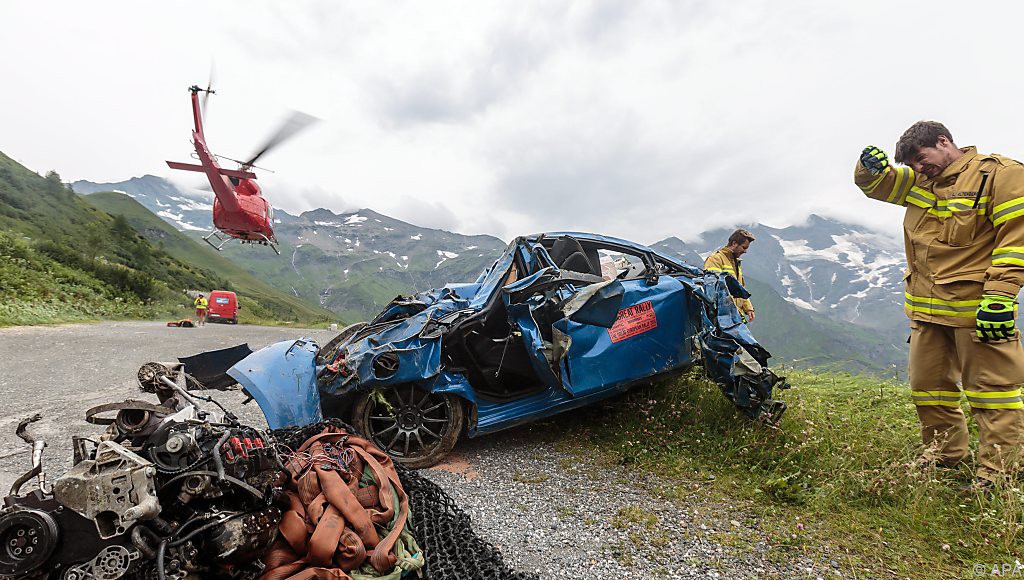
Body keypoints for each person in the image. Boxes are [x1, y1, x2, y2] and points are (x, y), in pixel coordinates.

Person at [855, 121, 1024, 487]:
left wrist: (1000, 295)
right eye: (913, 164)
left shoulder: (999, 176)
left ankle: (998, 474)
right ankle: (944, 456)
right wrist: (867, 167)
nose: (918, 168)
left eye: (921, 157)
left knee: (993, 394)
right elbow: (875, 185)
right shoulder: (921, 182)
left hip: (978, 312)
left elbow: (1017, 237)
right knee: (929, 390)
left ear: (944, 142)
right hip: (926, 312)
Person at [704, 229, 756, 322]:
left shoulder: (736, 262)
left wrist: (748, 308)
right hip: (723, 318)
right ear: (734, 243)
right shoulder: (715, 259)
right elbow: (713, 290)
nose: (745, 251)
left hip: (735, 317)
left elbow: (739, 289)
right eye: (744, 247)